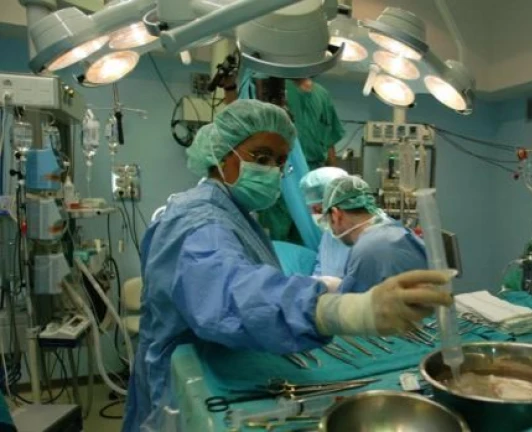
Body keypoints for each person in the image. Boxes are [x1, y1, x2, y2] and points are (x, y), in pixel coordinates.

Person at [122, 100, 453, 431]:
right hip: (187, 388)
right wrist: (345, 311)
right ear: (221, 153)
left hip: (218, 366)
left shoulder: (231, 211)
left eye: (280, 162)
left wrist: (321, 289)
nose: (273, 171)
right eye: (261, 157)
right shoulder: (199, 221)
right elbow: (231, 293)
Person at [321, 176, 429, 294]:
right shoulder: (399, 231)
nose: (331, 228)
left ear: (336, 215)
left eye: (328, 221)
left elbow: (356, 302)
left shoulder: (366, 251)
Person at [299, 167, 351, 278]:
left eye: (318, 209)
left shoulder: (367, 237)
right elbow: (321, 267)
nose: (315, 215)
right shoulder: (330, 233)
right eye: (311, 209)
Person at [286, 78, 346, 170]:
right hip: (285, 167)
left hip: (315, 168)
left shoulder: (322, 94)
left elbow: (329, 140)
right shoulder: (279, 87)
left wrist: (333, 174)